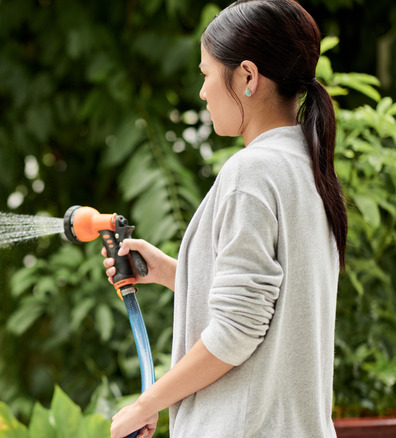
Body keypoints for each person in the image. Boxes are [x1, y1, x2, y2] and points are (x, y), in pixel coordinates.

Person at [102, 0, 347, 436]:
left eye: (207, 74)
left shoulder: (250, 172)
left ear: (248, 77)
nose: (202, 92)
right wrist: (173, 273)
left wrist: (146, 403)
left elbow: (237, 331)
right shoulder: (309, 169)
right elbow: (272, 306)